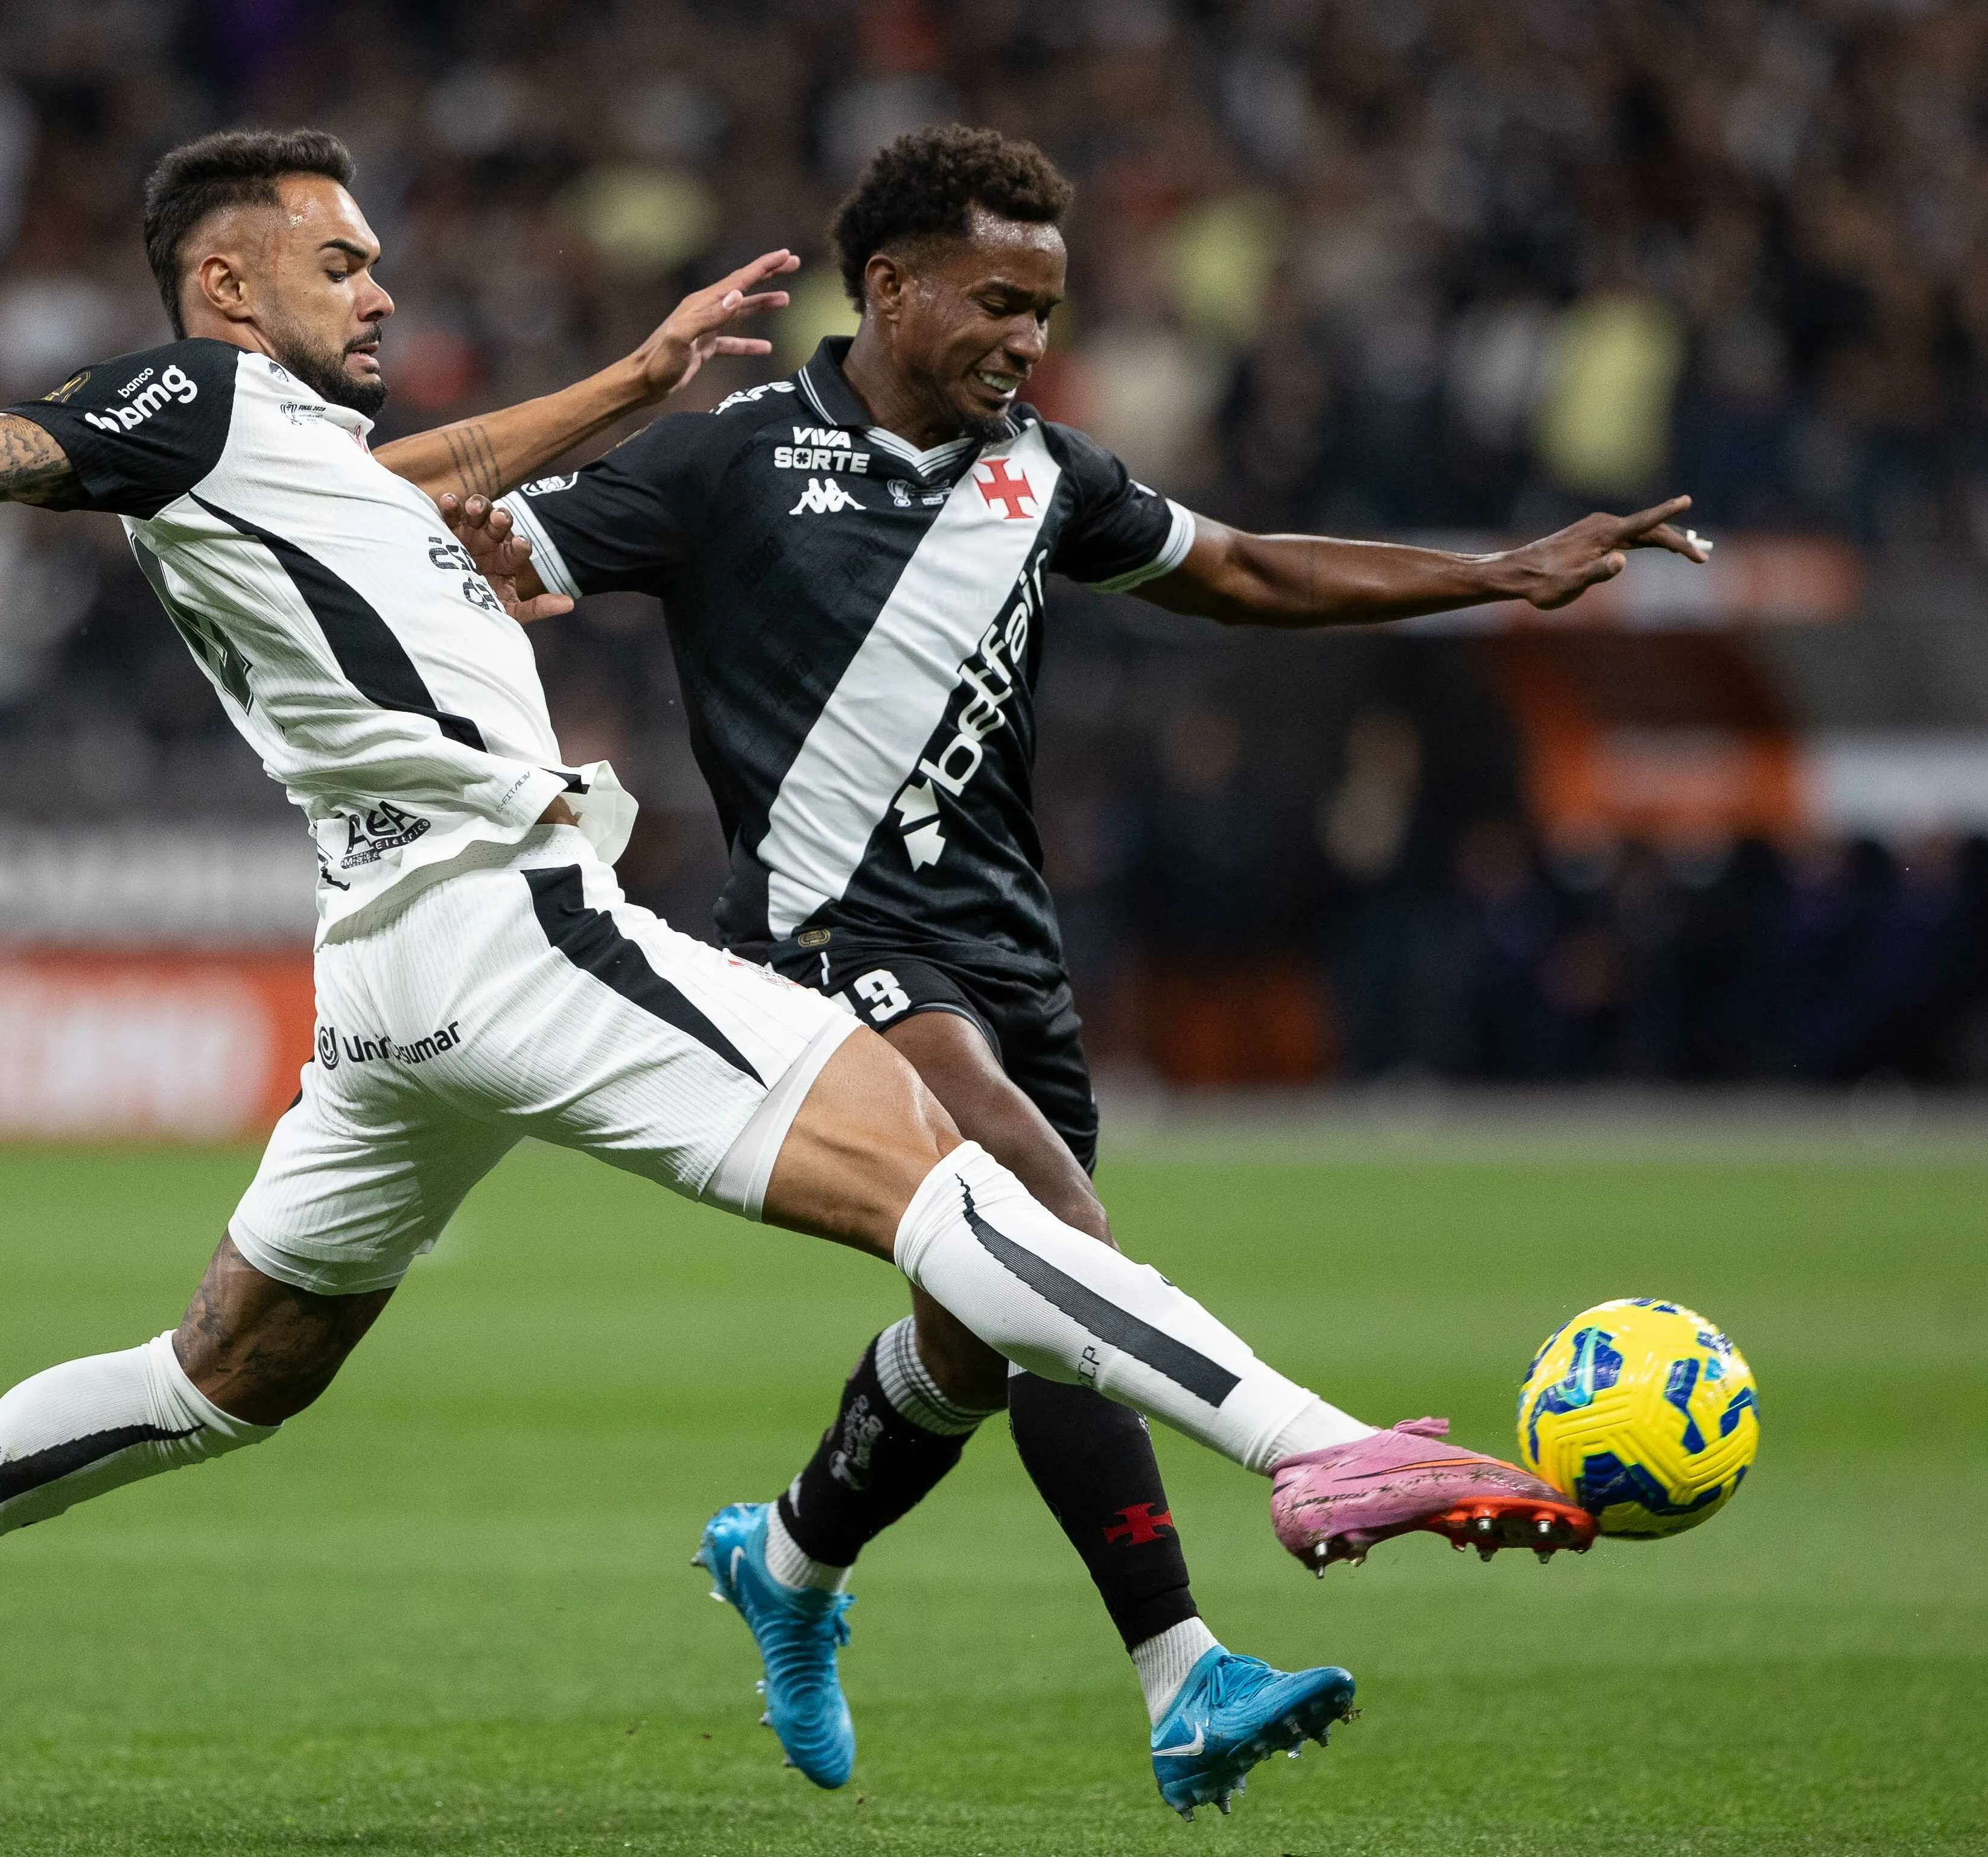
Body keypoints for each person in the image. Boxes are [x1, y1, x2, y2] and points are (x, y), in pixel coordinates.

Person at [0, 128, 1583, 1824]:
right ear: (228, 287)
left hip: (390, 978)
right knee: (957, 1189)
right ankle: (1310, 1444)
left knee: (217, 1375)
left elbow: (432, 474)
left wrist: (631, 378)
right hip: (508, 913)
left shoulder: (304, 455)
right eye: (340, 262)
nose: (379, 291)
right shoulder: (189, 402)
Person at [451, 125, 1709, 1808]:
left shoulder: (1046, 476)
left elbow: (1248, 568)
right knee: (1057, 1245)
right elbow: (475, 567)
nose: (1026, 340)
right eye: (996, 301)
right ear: (886, 287)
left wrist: (1495, 574)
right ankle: (1187, 1671)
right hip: (835, 947)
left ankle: (795, 1558)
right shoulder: (723, 462)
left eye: (1045, 308)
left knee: (993, 1333)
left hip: (1006, 957)